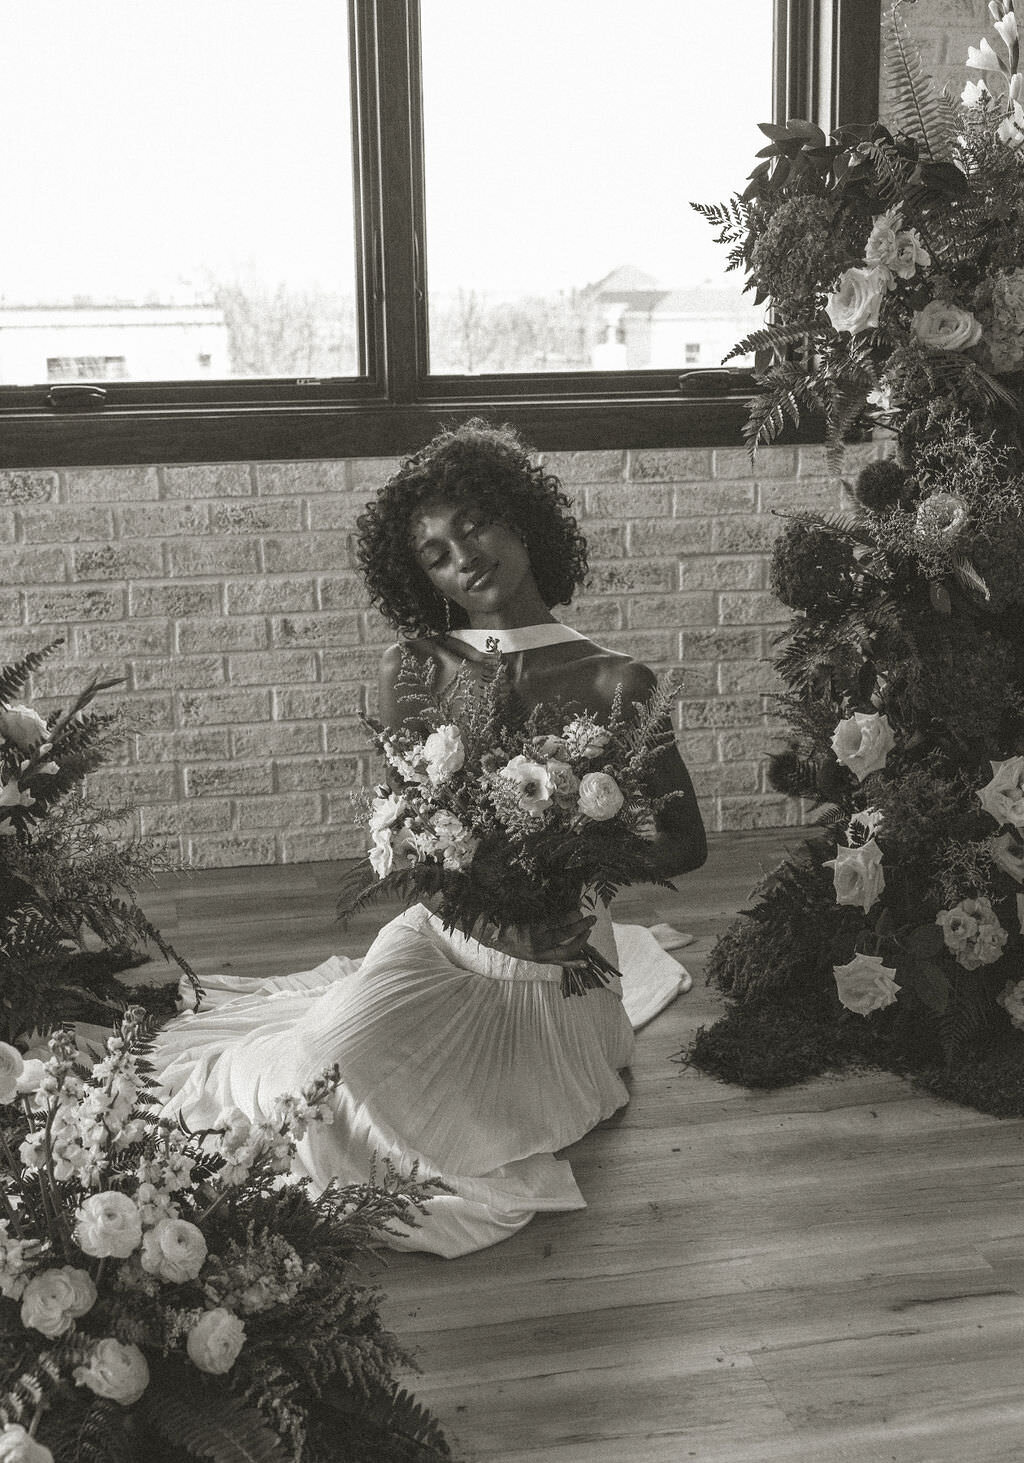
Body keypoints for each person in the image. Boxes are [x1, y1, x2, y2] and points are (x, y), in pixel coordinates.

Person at [152, 420, 706, 1257]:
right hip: (444, 941)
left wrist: (578, 864)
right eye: (436, 552)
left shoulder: (618, 678)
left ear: (523, 518)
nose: (464, 556)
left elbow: (686, 843)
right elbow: (403, 833)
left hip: (557, 970)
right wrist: (480, 887)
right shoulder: (415, 664)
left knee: (456, 1135)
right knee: (311, 1086)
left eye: (474, 524)